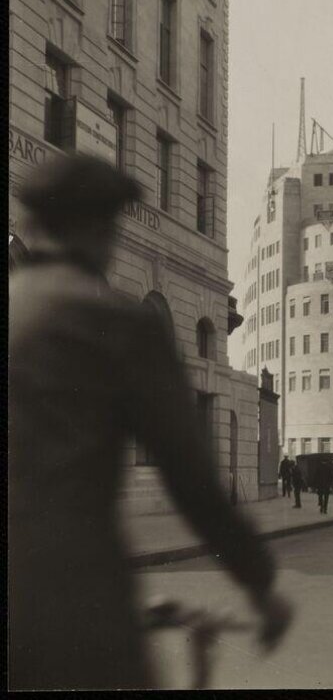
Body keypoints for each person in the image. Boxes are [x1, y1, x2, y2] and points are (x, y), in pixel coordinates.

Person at [8, 155, 293, 691]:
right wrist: (260, 583)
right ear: (100, 230)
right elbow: (191, 477)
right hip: (75, 596)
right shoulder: (117, 323)